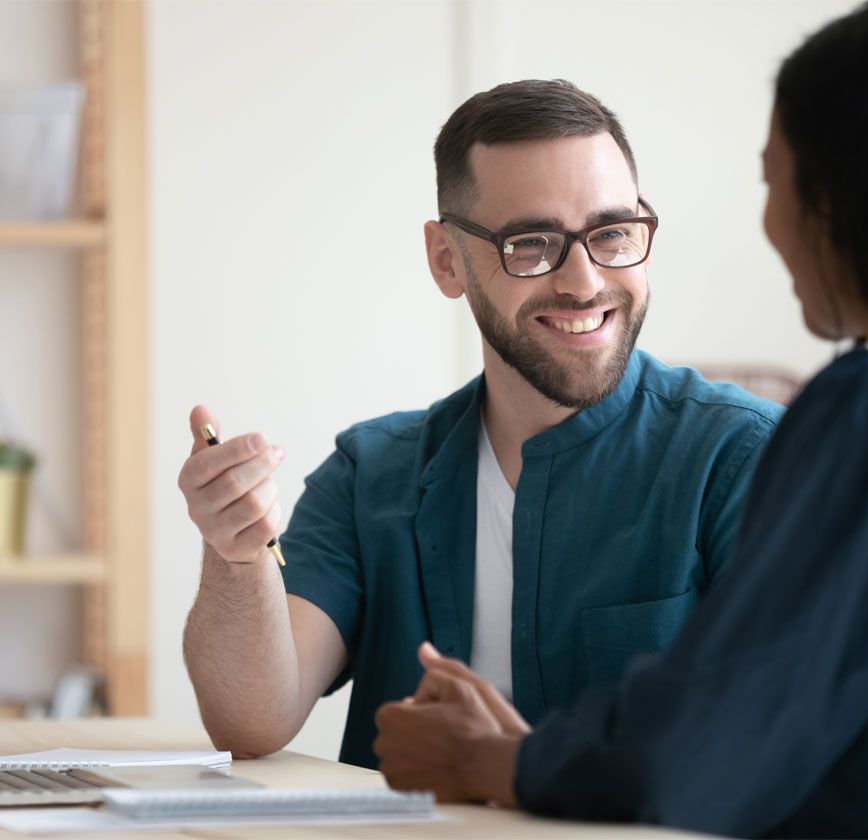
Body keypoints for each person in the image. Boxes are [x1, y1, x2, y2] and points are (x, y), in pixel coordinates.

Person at [372, 2, 868, 836]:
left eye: (773, 180)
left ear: (847, 203)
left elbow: (717, 740)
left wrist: (486, 759)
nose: (769, 223)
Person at [177, 80, 783, 770]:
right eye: (532, 244)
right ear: (447, 261)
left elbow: (784, 745)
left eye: (612, 234)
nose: (584, 283)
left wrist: (509, 766)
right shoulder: (370, 473)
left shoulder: (751, 457)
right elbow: (252, 723)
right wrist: (235, 554)